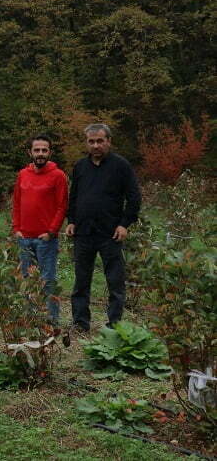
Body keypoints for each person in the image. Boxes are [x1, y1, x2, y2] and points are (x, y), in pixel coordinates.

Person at [66, 124, 140, 332]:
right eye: (91, 141)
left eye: (100, 141)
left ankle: (114, 325)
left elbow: (134, 198)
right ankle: (80, 323)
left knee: (115, 282)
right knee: (81, 281)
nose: (96, 145)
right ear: (86, 143)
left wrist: (124, 224)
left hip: (111, 234)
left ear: (109, 141)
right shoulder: (80, 166)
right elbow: (74, 197)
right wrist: (71, 220)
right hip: (83, 232)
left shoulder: (121, 166)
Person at [12, 135, 68, 324]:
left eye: (44, 150)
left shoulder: (58, 175)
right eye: (37, 150)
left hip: (45, 239)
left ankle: (52, 319)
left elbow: (62, 206)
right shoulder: (23, 174)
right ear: (30, 152)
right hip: (24, 237)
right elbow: (17, 202)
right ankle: (31, 316)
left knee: (48, 279)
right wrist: (16, 228)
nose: (41, 154)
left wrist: (52, 231)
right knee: (27, 278)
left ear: (50, 152)